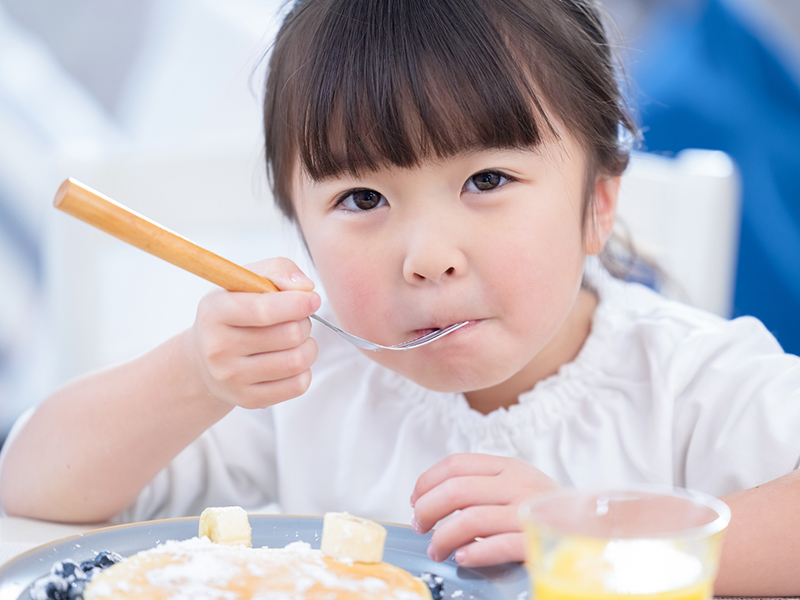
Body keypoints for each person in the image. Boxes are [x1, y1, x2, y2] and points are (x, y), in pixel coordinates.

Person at [0, 0, 799, 595]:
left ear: (598, 204)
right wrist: (194, 378)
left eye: (487, 180)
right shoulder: (308, 383)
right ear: (300, 228)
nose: (426, 258)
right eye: (362, 200)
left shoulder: (684, 380)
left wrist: (596, 532)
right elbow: (32, 486)